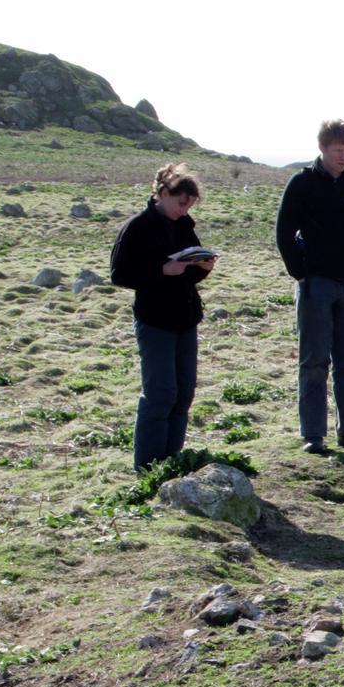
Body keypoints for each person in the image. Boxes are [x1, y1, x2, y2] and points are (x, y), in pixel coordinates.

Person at [274, 118, 344, 453]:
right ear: (323, 148)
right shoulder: (302, 183)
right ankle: (313, 435)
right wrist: (301, 273)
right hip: (317, 285)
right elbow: (283, 232)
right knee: (314, 362)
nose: (343, 157)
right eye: (338, 150)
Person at [110, 163, 215, 472]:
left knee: (184, 392)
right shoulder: (137, 227)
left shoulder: (184, 226)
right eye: (182, 203)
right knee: (160, 394)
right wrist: (161, 270)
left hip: (185, 318)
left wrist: (202, 268)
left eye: (190, 206)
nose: (185, 211)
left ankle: (171, 461)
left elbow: (188, 276)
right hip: (154, 320)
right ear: (164, 194)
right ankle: (147, 468)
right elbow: (119, 274)